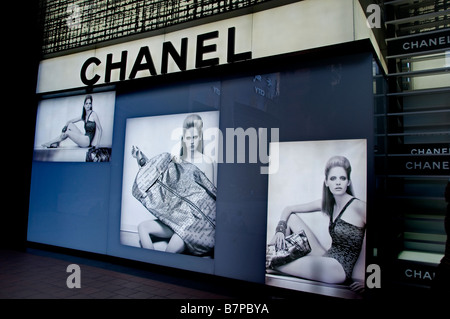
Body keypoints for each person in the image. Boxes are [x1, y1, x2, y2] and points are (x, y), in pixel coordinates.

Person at [268, 155, 366, 286]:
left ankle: (271, 257)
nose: (338, 182)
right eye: (333, 178)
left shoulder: (359, 207)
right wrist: (279, 231)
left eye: (342, 178)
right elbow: (289, 209)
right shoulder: (329, 205)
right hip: (327, 256)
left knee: (272, 261)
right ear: (326, 182)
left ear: (348, 182)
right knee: (291, 218)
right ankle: (274, 253)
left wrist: (369, 282)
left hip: (338, 270)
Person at [135, 114, 215, 254]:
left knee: (170, 250)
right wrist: (141, 161)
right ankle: (150, 264)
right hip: (174, 218)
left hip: (194, 224)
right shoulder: (177, 160)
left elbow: (212, 199)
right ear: (183, 138)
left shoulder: (206, 161)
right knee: (142, 227)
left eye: (195, 138)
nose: (191, 142)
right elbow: (159, 178)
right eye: (188, 138)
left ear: (200, 137)